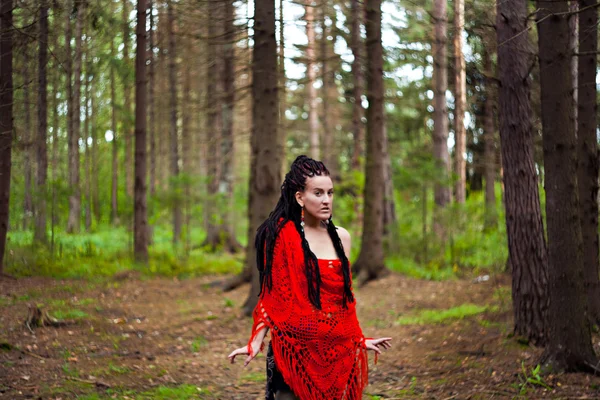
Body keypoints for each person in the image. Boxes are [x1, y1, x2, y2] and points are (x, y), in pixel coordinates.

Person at [228, 155, 392, 400]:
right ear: (299, 197)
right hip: (292, 351)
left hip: (335, 350)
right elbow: (272, 298)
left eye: (330, 193)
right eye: (318, 193)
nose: (326, 200)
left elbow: (342, 302)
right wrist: (255, 342)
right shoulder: (281, 237)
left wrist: (357, 339)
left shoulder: (342, 237)